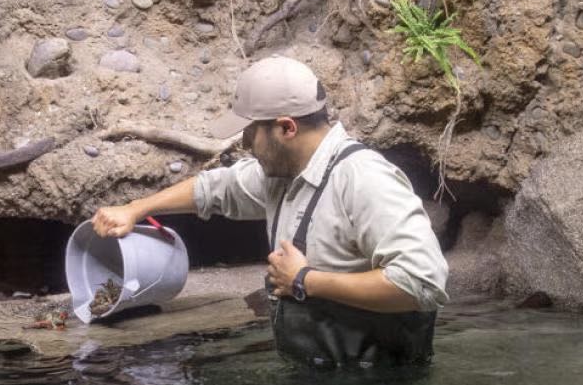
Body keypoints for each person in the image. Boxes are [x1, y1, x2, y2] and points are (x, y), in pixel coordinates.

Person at [92, 54, 448, 368]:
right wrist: (136, 209)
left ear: (286, 128)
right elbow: (216, 188)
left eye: (250, 133)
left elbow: (422, 283)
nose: (245, 144)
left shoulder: (363, 179)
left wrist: (305, 280)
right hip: (318, 380)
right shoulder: (282, 175)